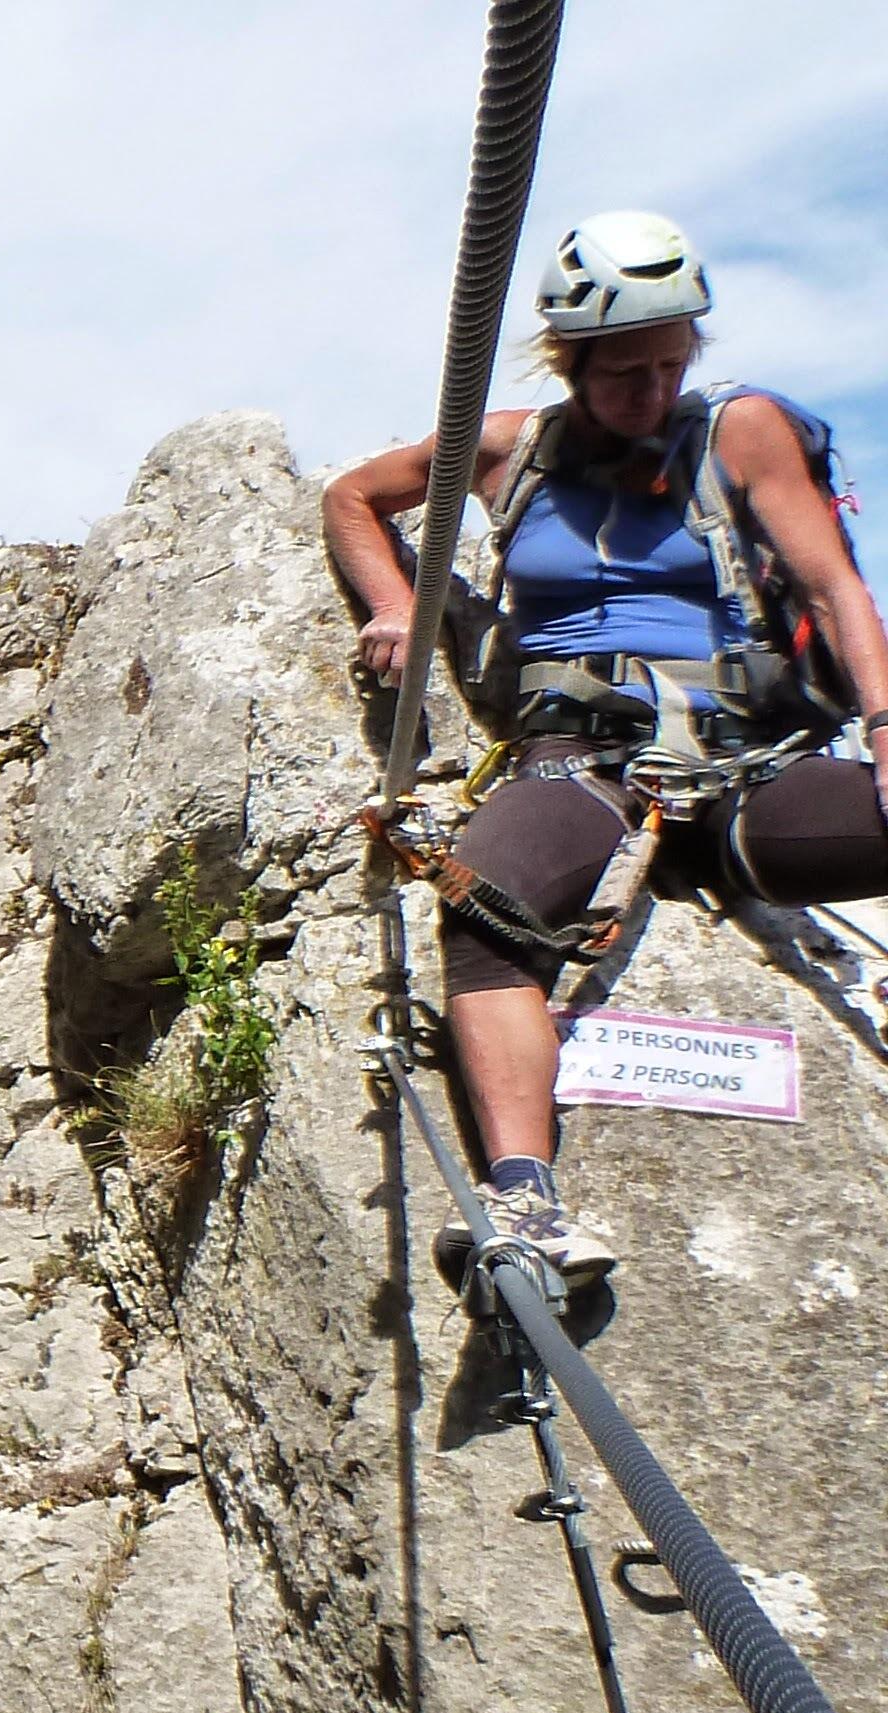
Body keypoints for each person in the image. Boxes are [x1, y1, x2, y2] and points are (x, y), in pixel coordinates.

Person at [325, 210, 888, 1284]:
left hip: (738, 766)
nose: (652, 391)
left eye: (671, 365)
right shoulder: (509, 450)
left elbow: (834, 588)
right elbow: (352, 496)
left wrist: (886, 727)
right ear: (570, 361)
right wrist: (394, 603)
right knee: (484, 906)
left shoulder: (739, 432)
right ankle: (524, 1199)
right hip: (574, 760)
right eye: (626, 371)